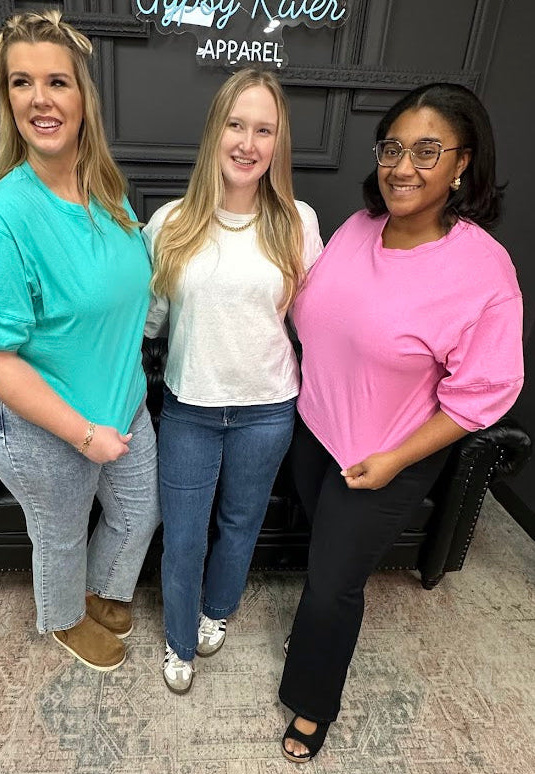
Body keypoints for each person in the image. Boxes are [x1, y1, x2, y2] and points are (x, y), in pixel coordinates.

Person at [279, 82, 524, 761]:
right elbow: (316, 316)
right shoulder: (360, 227)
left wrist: (393, 461)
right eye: (393, 148)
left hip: (386, 454)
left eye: (426, 150)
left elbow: (486, 390)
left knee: (334, 584)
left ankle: (311, 702)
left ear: (462, 163)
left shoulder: (483, 270)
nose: (403, 166)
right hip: (315, 430)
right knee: (322, 555)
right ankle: (315, 633)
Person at [0, 10, 160, 672]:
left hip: (120, 398)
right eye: (21, 82)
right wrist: (82, 433)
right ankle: (63, 617)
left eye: (58, 81)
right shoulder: (0, 222)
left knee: (137, 510)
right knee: (60, 533)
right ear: (7, 99)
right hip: (38, 420)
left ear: (83, 97)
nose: (41, 97)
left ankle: (104, 589)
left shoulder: (106, 189)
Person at [143, 69, 323, 693]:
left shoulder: (298, 222)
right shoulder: (170, 223)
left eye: (263, 129)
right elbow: (150, 321)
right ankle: (178, 639)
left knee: (241, 522)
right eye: (236, 125)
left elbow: (317, 321)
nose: (248, 142)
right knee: (184, 532)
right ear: (216, 131)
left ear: (278, 143)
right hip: (190, 406)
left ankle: (217, 611)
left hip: (269, 409)